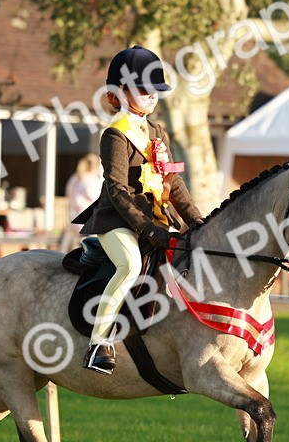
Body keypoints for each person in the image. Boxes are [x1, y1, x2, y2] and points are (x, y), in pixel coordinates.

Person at [72, 45, 204, 374]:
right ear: (120, 92)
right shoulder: (115, 134)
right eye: (143, 90)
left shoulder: (157, 132)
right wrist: (147, 229)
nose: (151, 97)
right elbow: (117, 191)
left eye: (155, 91)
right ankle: (98, 343)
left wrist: (198, 222)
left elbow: (173, 184)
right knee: (130, 265)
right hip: (116, 222)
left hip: (156, 219)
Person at [58, 154, 104, 251]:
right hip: (87, 225)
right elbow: (99, 200)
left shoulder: (74, 178)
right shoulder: (91, 180)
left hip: (73, 221)